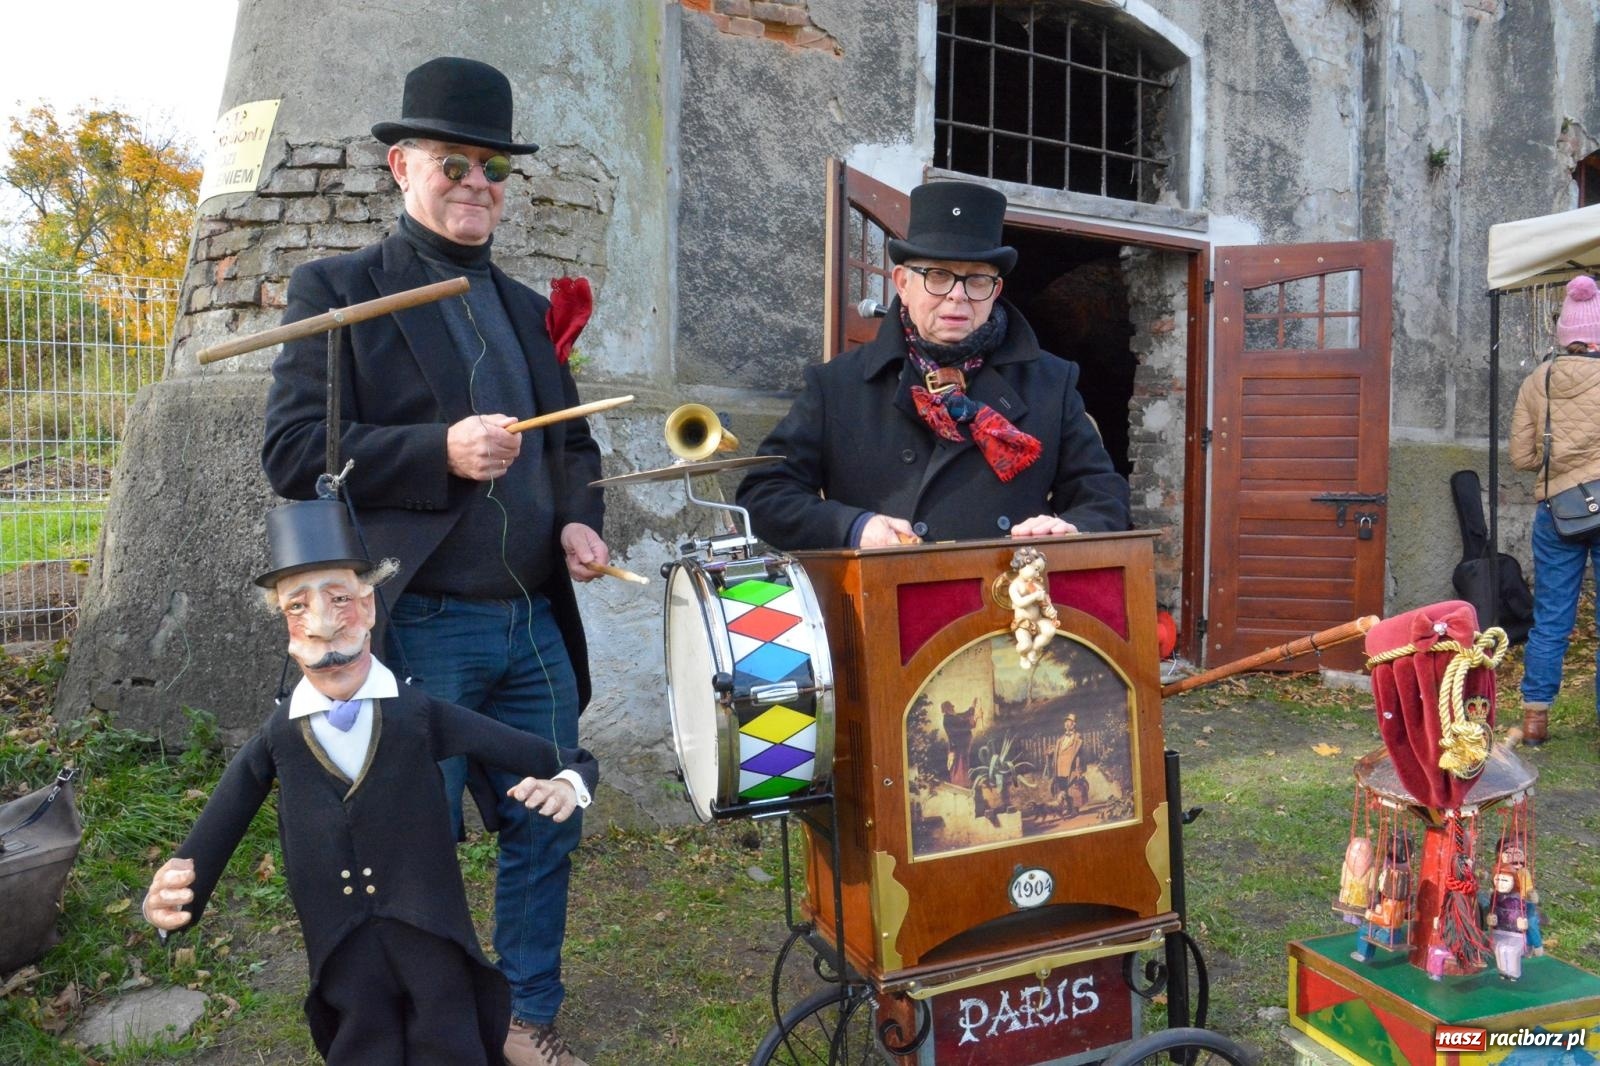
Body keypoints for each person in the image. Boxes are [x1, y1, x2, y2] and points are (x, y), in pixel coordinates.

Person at [261, 56, 607, 1066]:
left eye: (494, 168)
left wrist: (580, 523)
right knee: (414, 846)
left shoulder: (528, 308)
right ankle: (439, 1020)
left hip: (532, 619)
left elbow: (572, 445)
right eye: (453, 162)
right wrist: (439, 452)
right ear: (400, 165)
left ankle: (525, 1018)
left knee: (549, 815)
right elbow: (291, 451)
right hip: (424, 622)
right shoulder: (338, 291)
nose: (476, 183)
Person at [142, 499, 598, 1066]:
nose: (325, 625)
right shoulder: (278, 736)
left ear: (368, 605)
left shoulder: (420, 714)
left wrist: (567, 784)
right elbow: (222, 822)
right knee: (361, 1035)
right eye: (298, 607)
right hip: (338, 936)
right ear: (284, 622)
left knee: (447, 1028)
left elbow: (564, 758)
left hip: (429, 925)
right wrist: (179, 893)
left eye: (339, 601)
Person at [735, 179, 1130, 550]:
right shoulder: (837, 385)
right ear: (903, 283)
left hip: (1005, 610)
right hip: (878, 603)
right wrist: (853, 527)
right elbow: (765, 495)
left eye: (977, 280)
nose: (957, 296)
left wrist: (1073, 529)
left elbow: (1103, 497)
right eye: (937, 276)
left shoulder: (1052, 382)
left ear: (996, 291)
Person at [1509, 273, 1600, 746]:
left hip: (1557, 510)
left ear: (1564, 335)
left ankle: (1535, 719)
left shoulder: (1537, 380)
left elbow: (1522, 458)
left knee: (1551, 620)